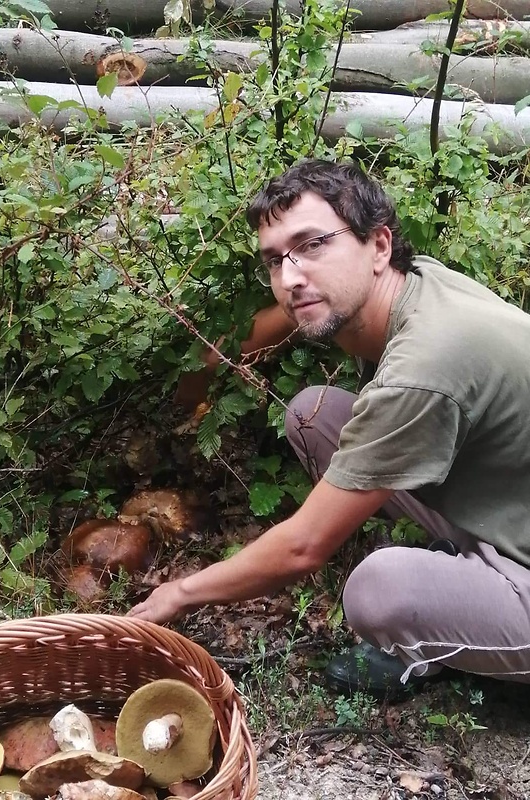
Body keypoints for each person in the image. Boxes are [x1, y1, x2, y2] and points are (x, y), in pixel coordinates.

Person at [129, 158, 530, 697]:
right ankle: (468, 591)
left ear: (379, 246)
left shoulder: (427, 365)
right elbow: (298, 311)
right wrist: (210, 363)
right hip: (510, 510)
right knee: (313, 414)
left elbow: (303, 549)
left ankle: (459, 635)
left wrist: (179, 593)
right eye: (275, 261)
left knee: (379, 591)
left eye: (313, 244)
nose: (292, 277)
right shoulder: (416, 284)